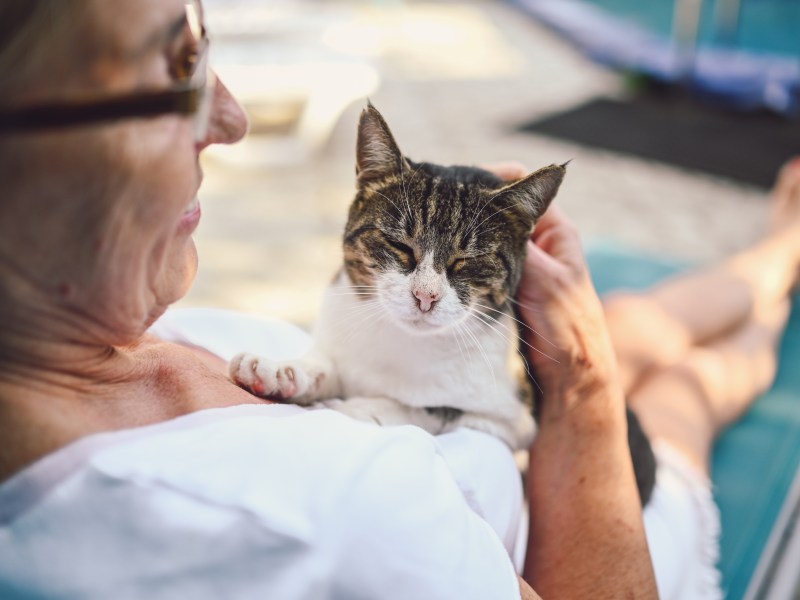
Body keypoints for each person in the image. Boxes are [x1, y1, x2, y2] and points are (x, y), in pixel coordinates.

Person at [0, 1, 797, 598]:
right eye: (175, 71)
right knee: (690, 395)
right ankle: (775, 290)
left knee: (632, 323)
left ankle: (773, 254)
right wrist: (588, 379)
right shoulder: (325, 529)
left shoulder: (107, 321)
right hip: (615, 521)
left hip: (507, 416)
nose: (233, 117)